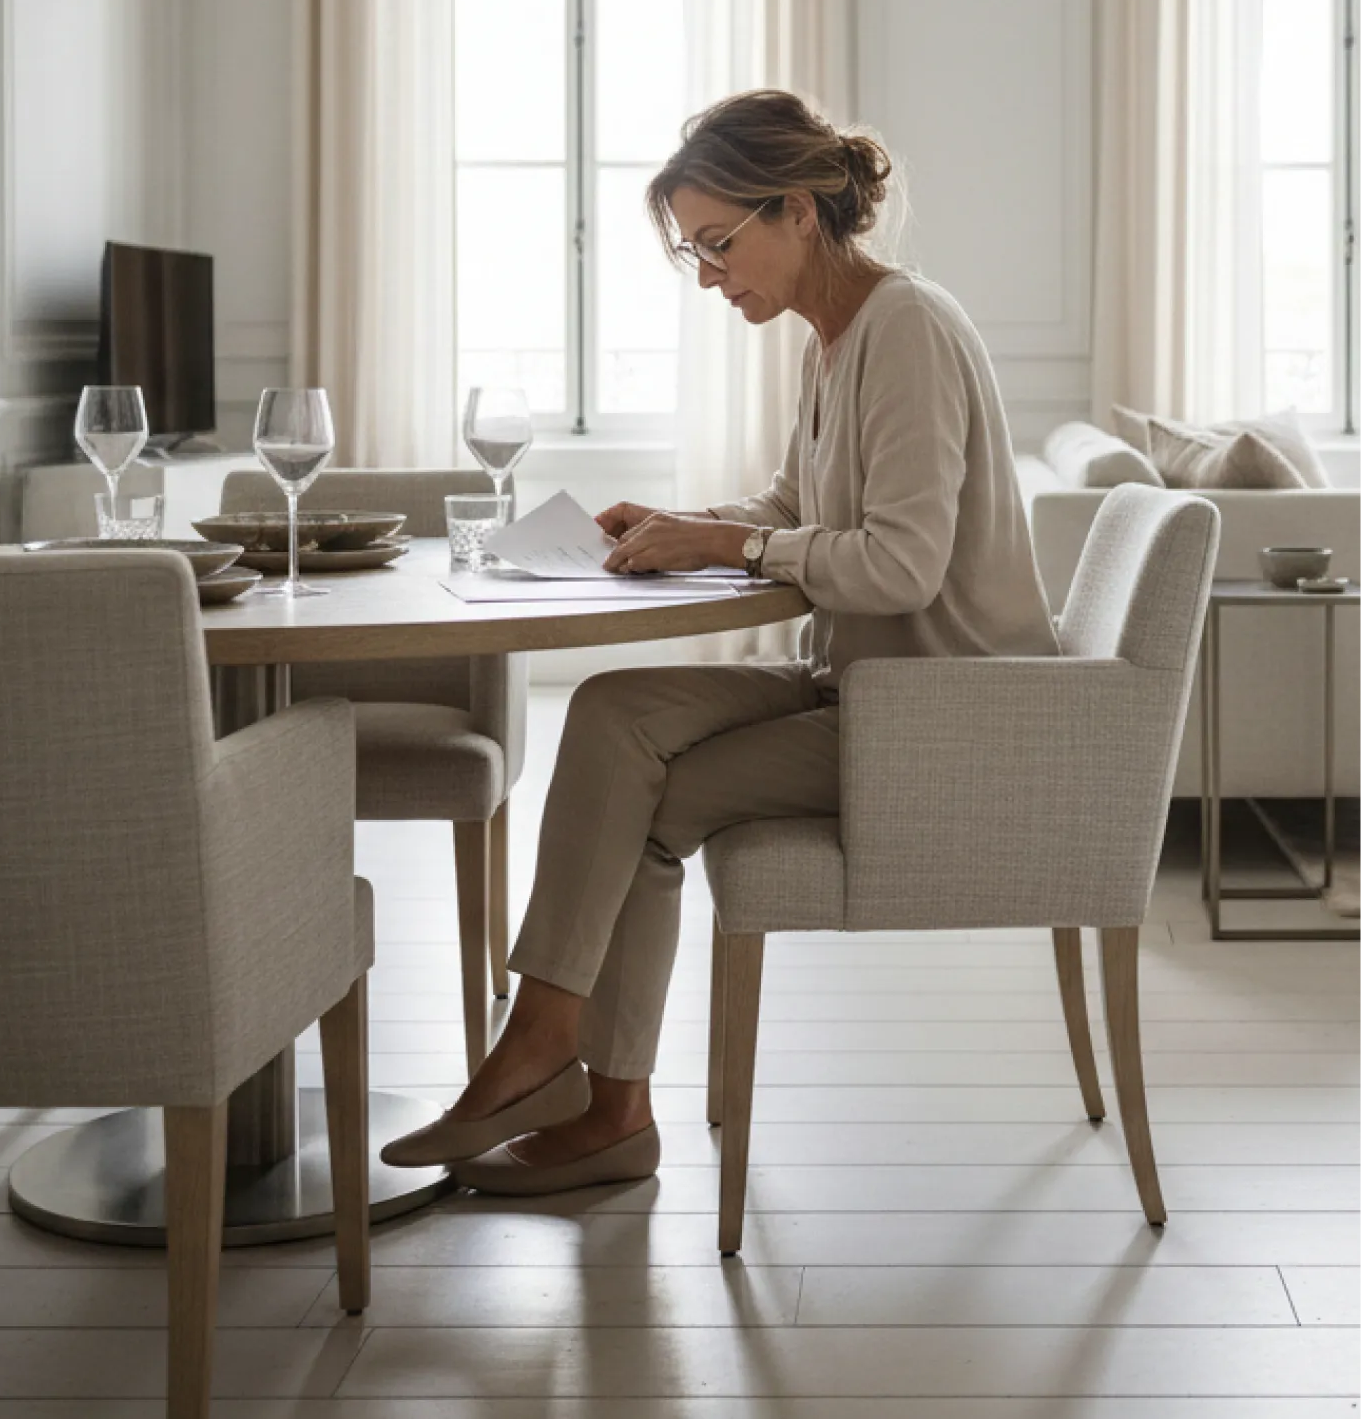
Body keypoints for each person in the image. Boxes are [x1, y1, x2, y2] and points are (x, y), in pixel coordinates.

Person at [382, 87, 1058, 1193]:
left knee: (643, 805)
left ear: (795, 210)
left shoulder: (908, 329)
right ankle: (557, 1046)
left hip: (939, 712)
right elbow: (794, 512)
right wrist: (677, 524)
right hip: (863, 682)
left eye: (715, 243)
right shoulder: (835, 341)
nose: (706, 274)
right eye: (691, 251)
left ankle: (591, 1091)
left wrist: (731, 547)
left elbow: (899, 565)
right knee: (611, 707)